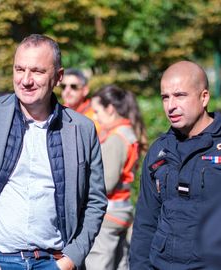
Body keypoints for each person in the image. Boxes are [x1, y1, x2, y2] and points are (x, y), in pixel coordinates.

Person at [0, 34, 107, 270]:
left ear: (58, 77)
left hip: (53, 262)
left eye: (37, 71)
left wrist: (71, 259)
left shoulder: (82, 129)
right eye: (19, 69)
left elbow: (95, 202)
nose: (25, 80)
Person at [129, 60, 221, 269]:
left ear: (204, 97)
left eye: (180, 95)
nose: (171, 105)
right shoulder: (159, 150)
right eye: (165, 97)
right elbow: (146, 222)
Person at [85, 85, 146, 270]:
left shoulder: (115, 139)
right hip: (122, 211)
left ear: (110, 108)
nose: (95, 117)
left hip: (108, 216)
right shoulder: (128, 132)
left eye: (97, 111)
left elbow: (106, 183)